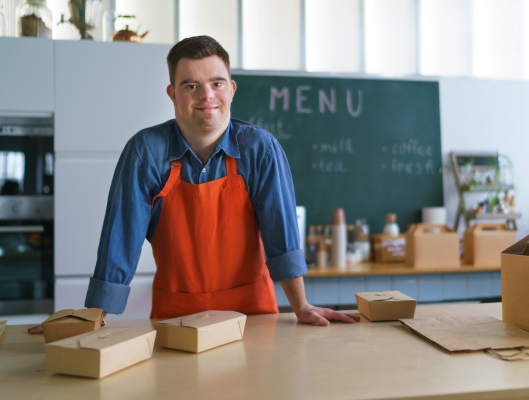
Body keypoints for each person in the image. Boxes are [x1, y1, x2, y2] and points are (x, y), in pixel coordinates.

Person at [29, 36, 357, 335]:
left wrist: (301, 306)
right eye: (191, 86)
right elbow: (120, 242)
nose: (207, 96)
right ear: (172, 94)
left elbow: (281, 236)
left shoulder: (261, 149)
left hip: (253, 321)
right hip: (175, 324)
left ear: (231, 89)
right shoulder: (145, 152)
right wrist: (91, 319)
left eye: (217, 83)